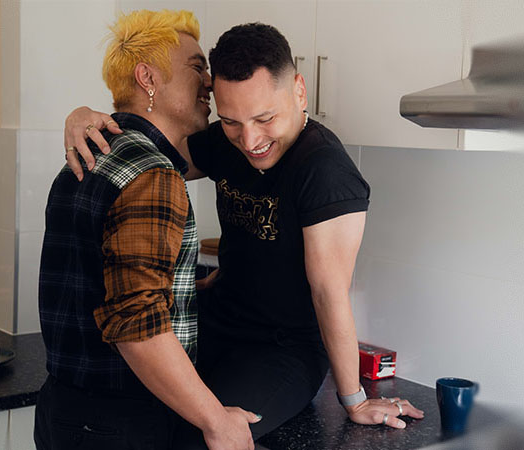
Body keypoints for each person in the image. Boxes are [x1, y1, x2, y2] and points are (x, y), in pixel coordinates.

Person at [62, 22, 424, 449]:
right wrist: (84, 118)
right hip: (217, 323)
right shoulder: (225, 142)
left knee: (200, 437)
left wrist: (354, 400)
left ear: (300, 91)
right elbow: (146, 152)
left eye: (265, 118)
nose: (250, 141)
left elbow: (330, 294)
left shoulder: (326, 174)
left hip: (282, 350)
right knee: (143, 418)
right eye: (231, 121)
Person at [34, 10, 261, 450]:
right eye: (197, 67)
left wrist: (185, 283)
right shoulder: (151, 174)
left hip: (65, 411)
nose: (211, 82)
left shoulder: (93, 154)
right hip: (120, 422)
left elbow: (97, 275)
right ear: (148, 77)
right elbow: (136, 323)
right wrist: (215, 419)